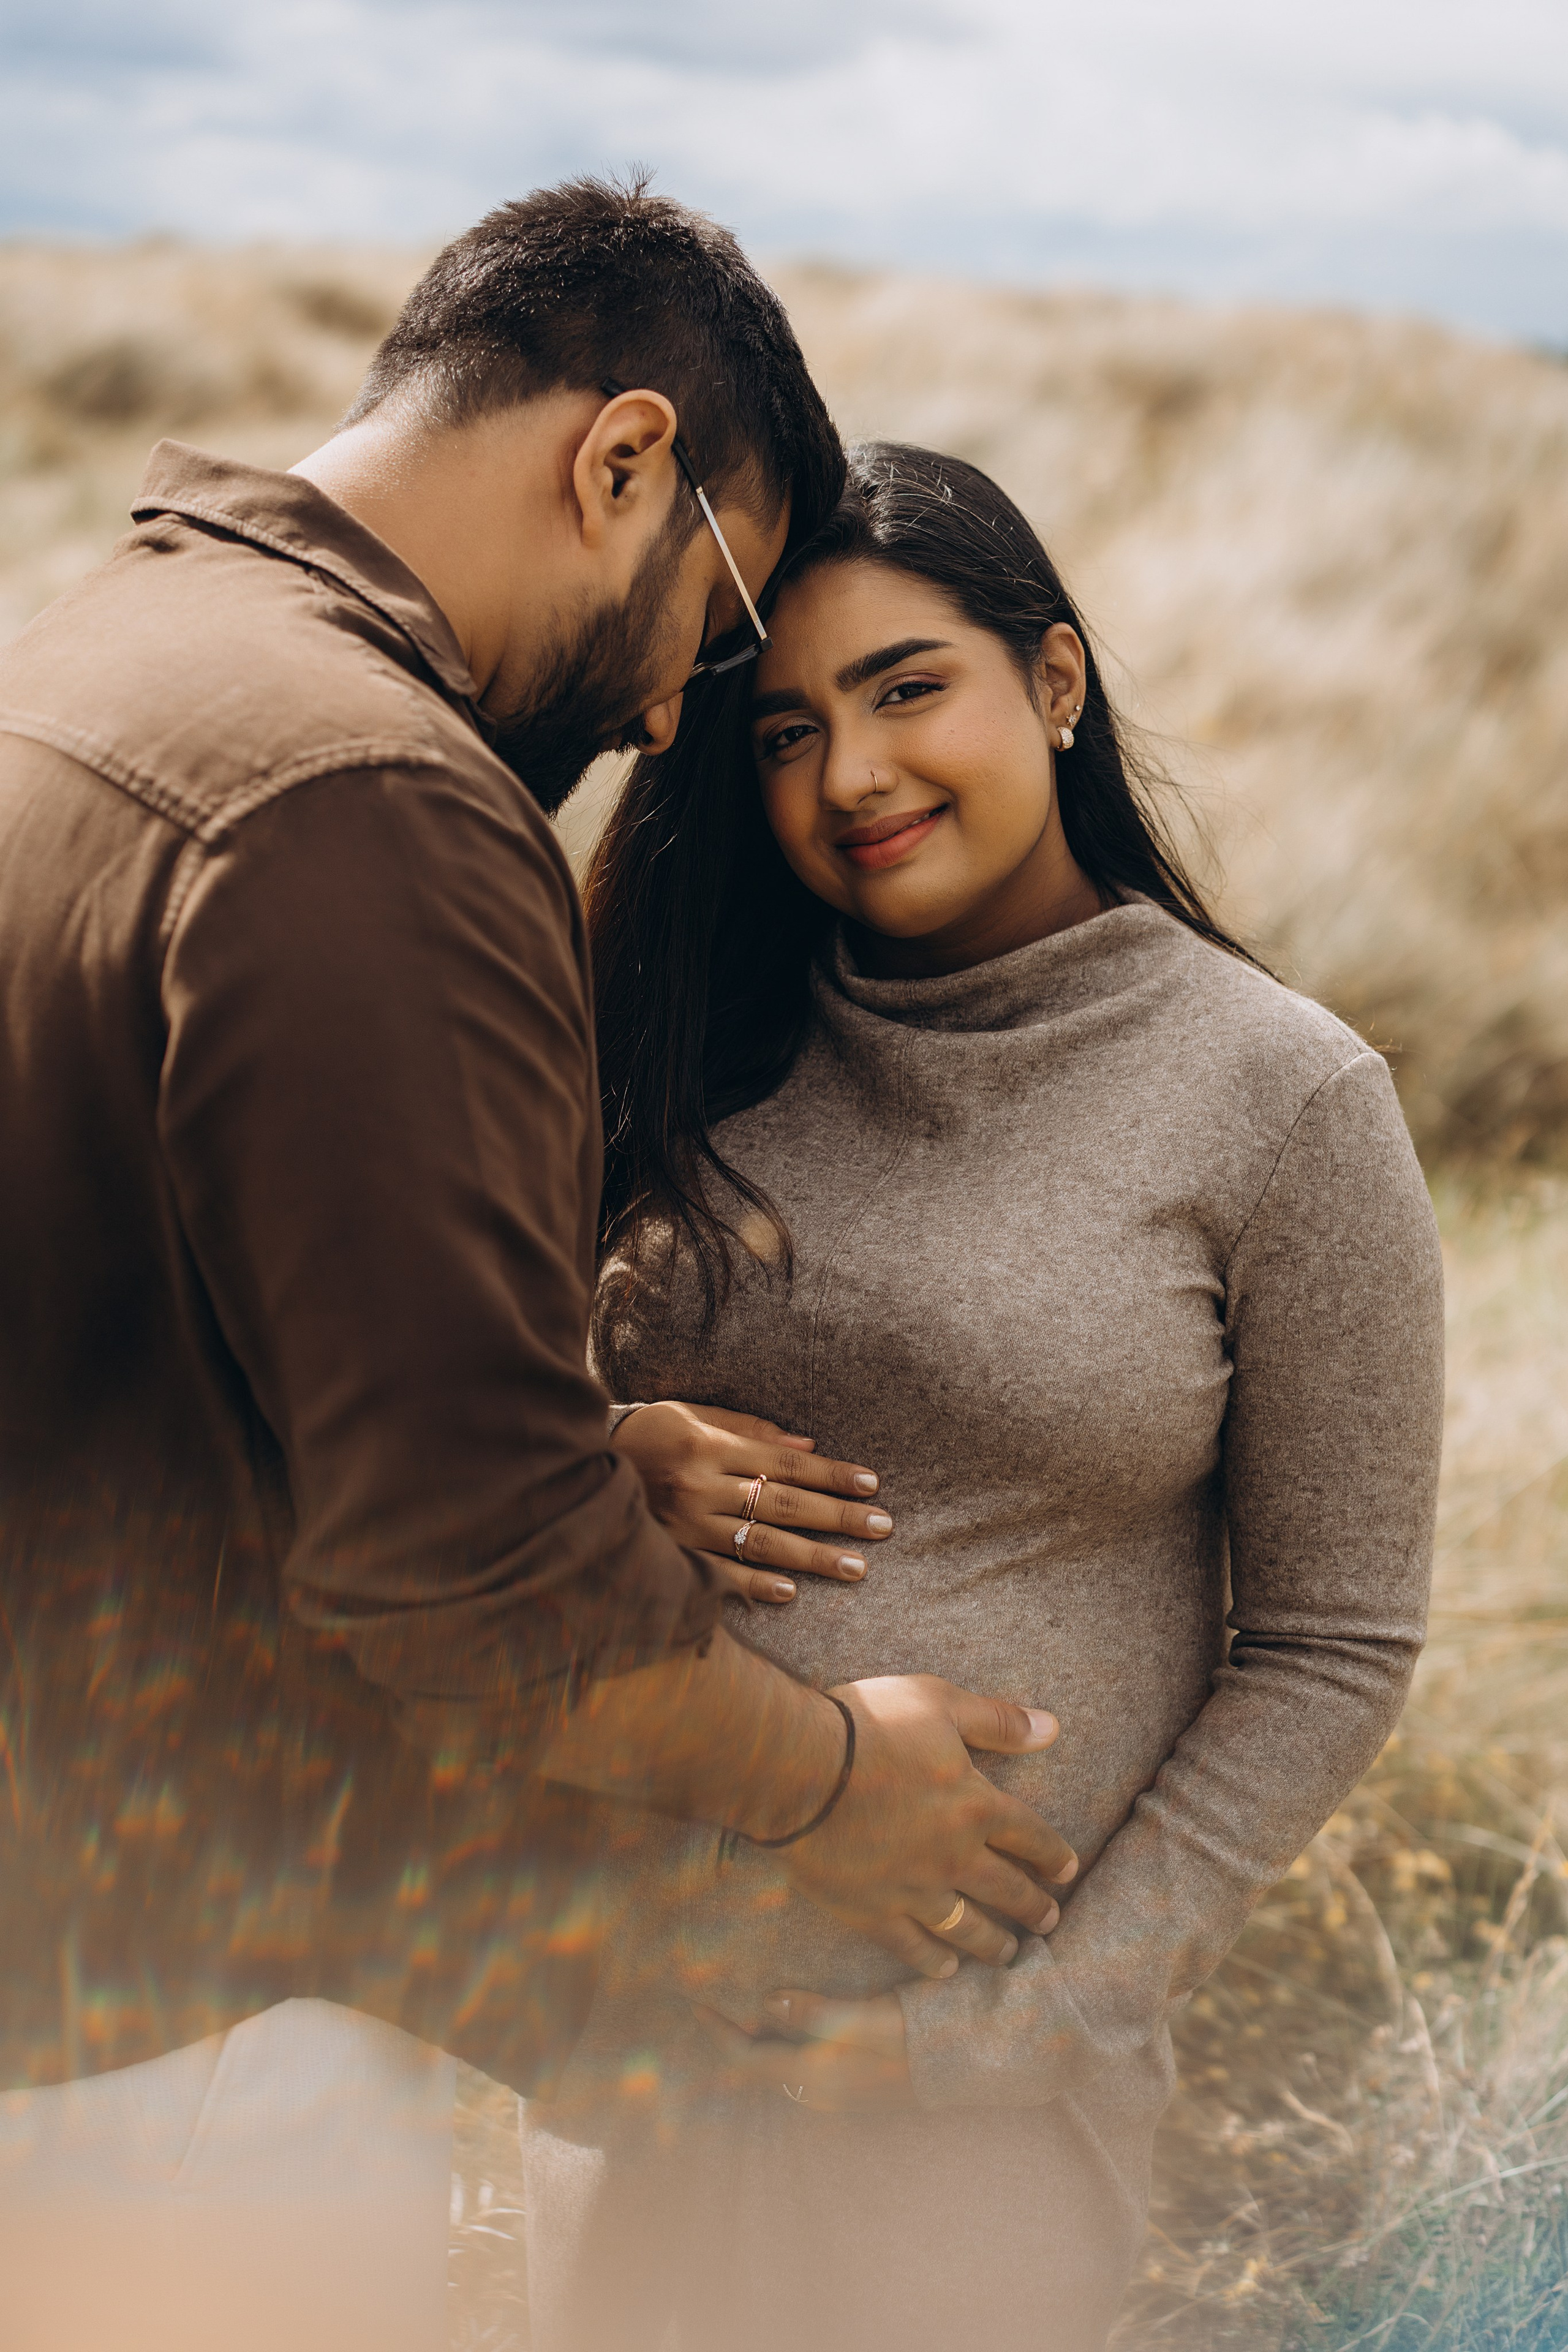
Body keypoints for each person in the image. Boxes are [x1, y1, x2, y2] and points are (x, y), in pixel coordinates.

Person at [0, 191, 1074, 2352]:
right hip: (181, 2040)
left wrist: (572, 1433)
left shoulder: (78, 655)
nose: (683, 713)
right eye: (728, 618)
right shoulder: (366, 803)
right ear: (619, 464)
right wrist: (835, 1784)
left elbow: (124, 1297)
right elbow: (480, 1606)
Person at [519, 442, 1448, 2352]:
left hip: (952, 2114)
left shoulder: (1282, 1099)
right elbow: (448, 1427)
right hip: (609, 2033)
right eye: (780, 733)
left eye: (905, 689)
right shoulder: (684, 1033)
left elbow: (1335, 1649)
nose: (849, 776)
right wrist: (601, 1456)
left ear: (1054, 680)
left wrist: (1021, 2034)